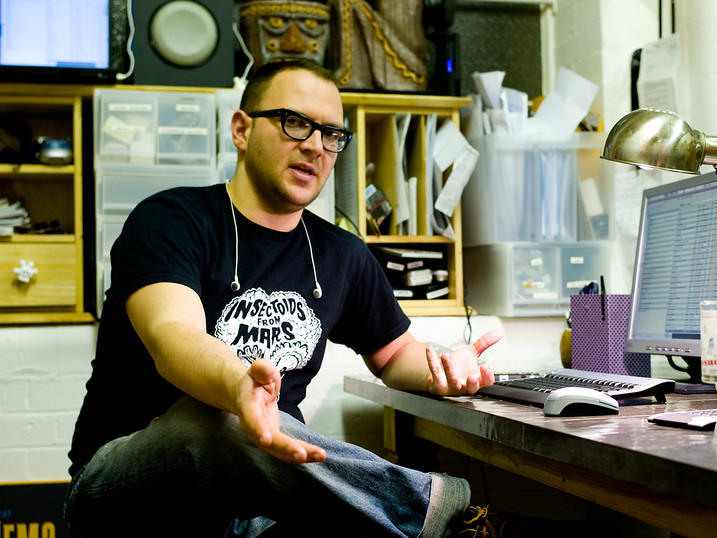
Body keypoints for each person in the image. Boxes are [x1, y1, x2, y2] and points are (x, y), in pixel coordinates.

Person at [64, 58, 503, 537]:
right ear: (242, 129)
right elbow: (172, 336)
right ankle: (453, 521)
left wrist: (443, 367)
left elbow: (395, 354)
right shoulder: (171, 220)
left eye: (331, 134)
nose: (315, 145)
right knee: (220, 422)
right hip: (125, 489)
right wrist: (238, 386)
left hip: (257, 501)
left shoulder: (341, 253)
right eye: (295, 122)